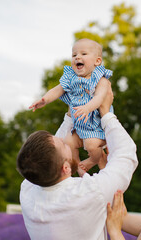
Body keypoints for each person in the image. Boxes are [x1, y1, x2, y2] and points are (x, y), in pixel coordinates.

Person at [18, 85, 138, 240]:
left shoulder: (28, 190)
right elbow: (126, 155)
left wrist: (70, 115)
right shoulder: (90, 192)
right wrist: (106, 113)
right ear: (65, 168)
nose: (67, 142)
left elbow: (50, 154)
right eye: (64, 145)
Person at [29, 38, 113, 175]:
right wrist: (45, 99)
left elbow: (100, 97)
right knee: (68, 143)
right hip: (79, 126)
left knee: (91, 145)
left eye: (83, 54)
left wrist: (87, 108)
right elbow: (57, 89)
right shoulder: (70, 77)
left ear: (97, 61)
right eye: (74, 55)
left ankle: (93, 160)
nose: (77, 57)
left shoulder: (100, 79)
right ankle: (78, 166)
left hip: (96, 126)